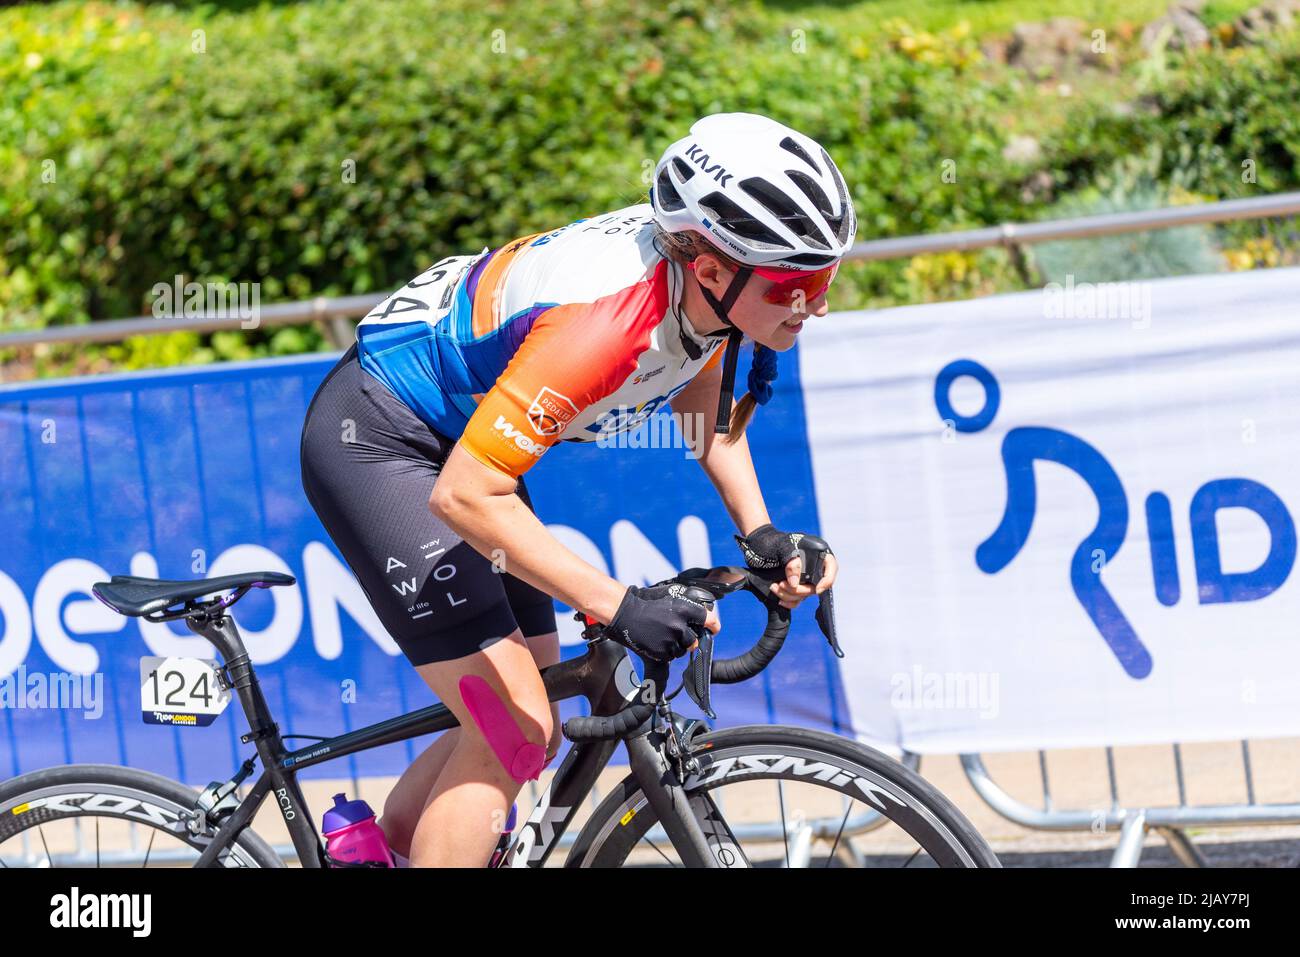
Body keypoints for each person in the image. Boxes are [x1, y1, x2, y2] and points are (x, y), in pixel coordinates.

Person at [298, 111, 856, 867]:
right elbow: (465, 497)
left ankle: (381, 850)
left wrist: (762, 535)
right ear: (713, 268)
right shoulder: (604, 324)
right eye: (799, 283)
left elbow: (705, 408)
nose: (817, 303)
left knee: (537, 712)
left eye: (825, 277)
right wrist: (619, 604)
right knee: (516, 726)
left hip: (459, 447)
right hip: (382, 441)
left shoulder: (709, 296)